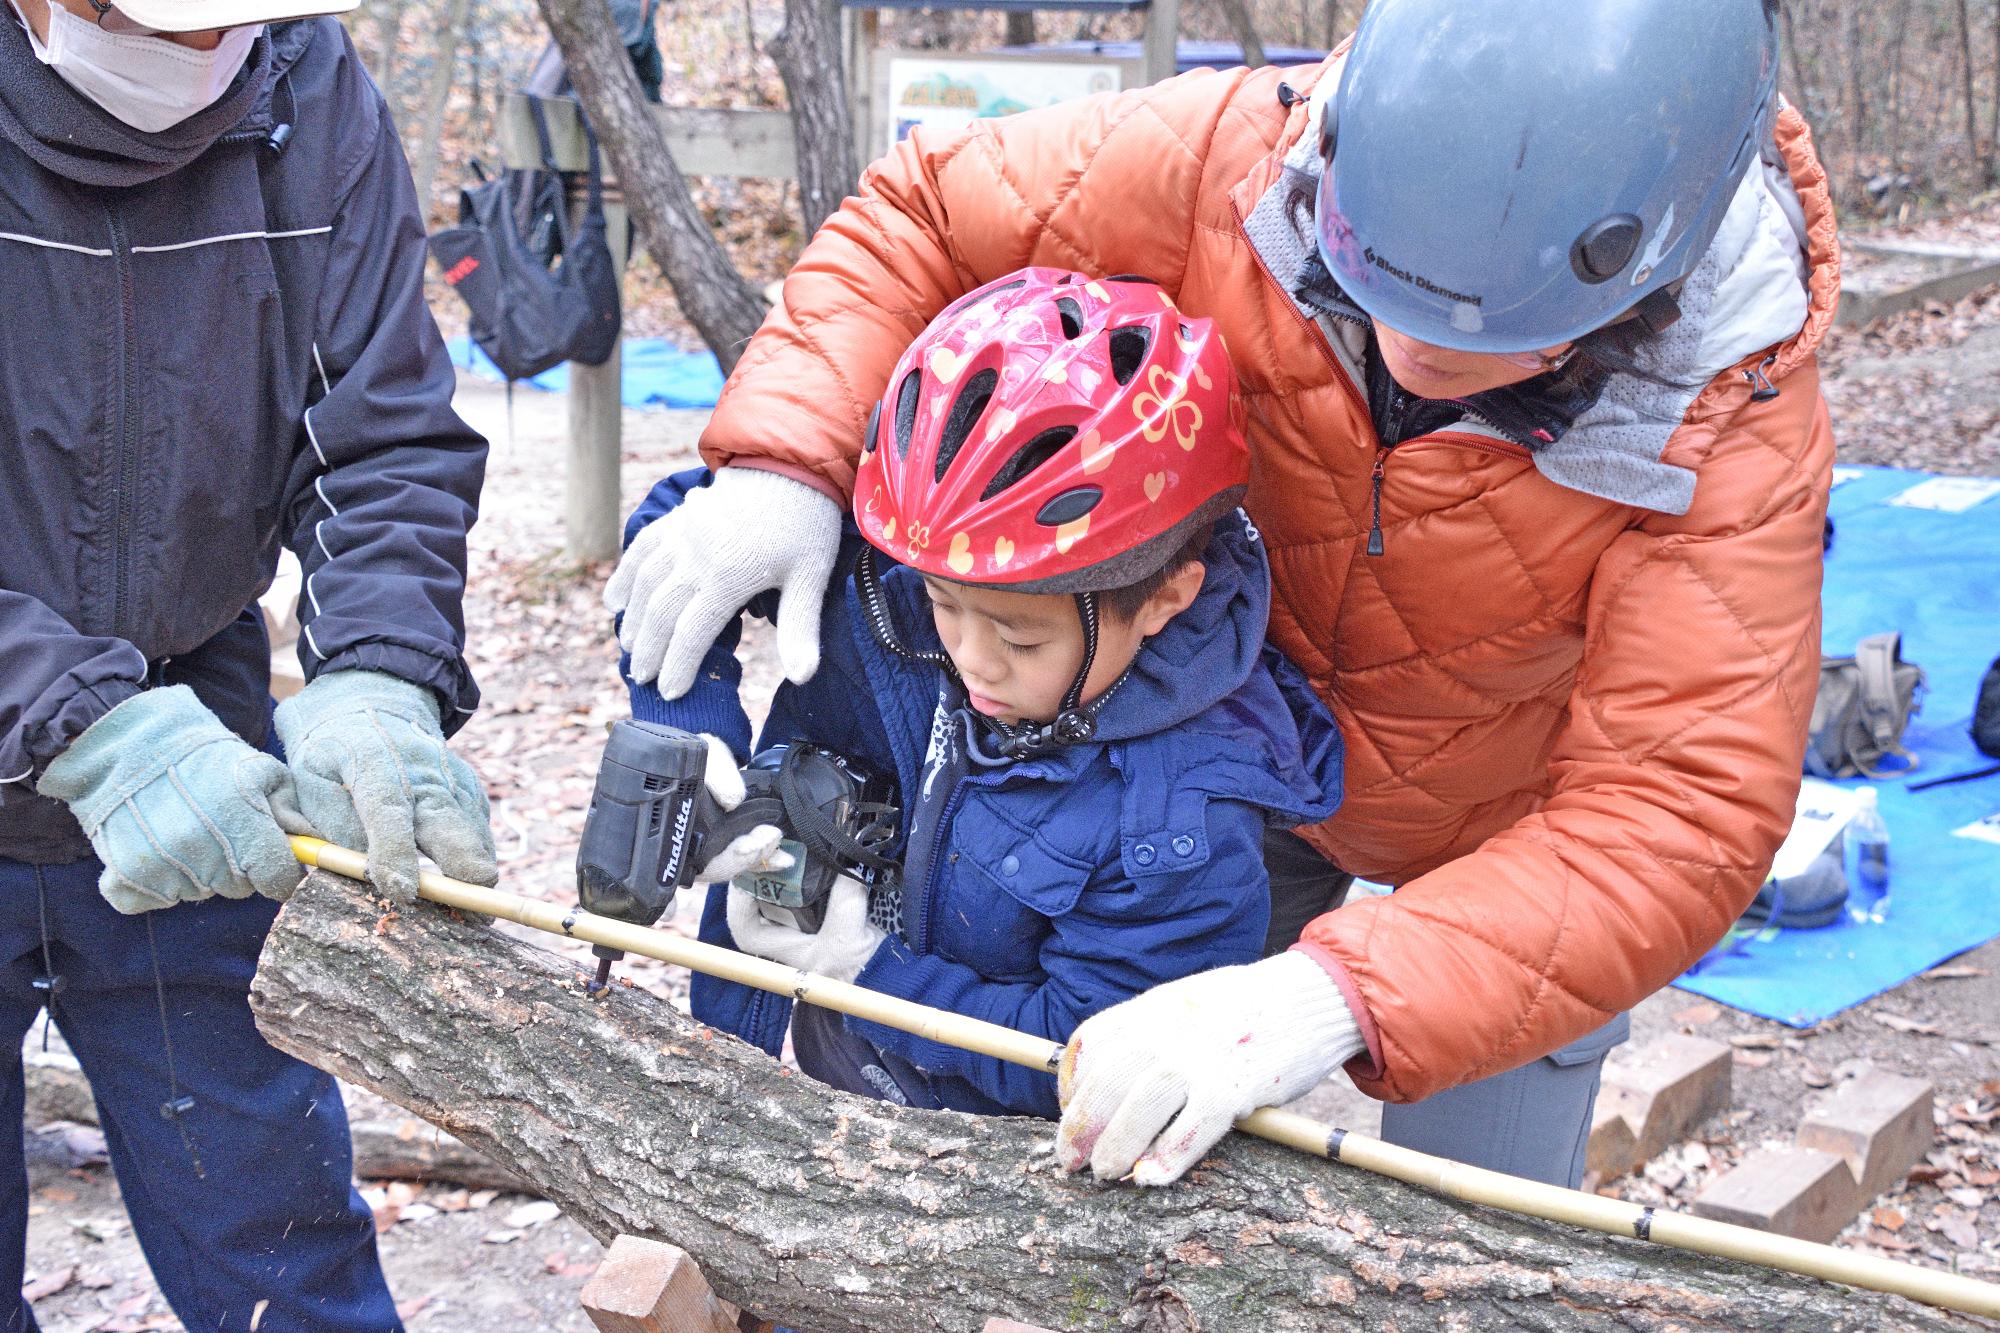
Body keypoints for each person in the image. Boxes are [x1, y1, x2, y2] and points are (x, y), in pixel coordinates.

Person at [608, 0, 1836, 1191]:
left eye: (1486, 344)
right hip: (1211, 736)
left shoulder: (1725, 421)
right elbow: (924, 209)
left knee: (1476, 1228)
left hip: (1501, 844)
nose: (1412, 354)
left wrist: (1326, 998)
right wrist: (785, 462)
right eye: (1378, 291)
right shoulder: (1224, 156)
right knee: (1117, 1142)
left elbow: (1678, 808)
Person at [0, 0, 494, 1324]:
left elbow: (382, 426)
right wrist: (67, 713)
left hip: (202, 738)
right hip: (94, 723)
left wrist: (380, 672)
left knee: (278, 1247)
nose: (213, 54)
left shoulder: (308, 82)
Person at [616, 269, 1343, 1117]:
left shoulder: (1184, 825)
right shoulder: (917, 560)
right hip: (787, 1078)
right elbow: (681, 542)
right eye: (943, 607)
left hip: (977, 1165)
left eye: (1021, 637)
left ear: (1165, 599)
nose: (971, 660)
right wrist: (693, 739)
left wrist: (866, 971)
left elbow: (1081, 1055)